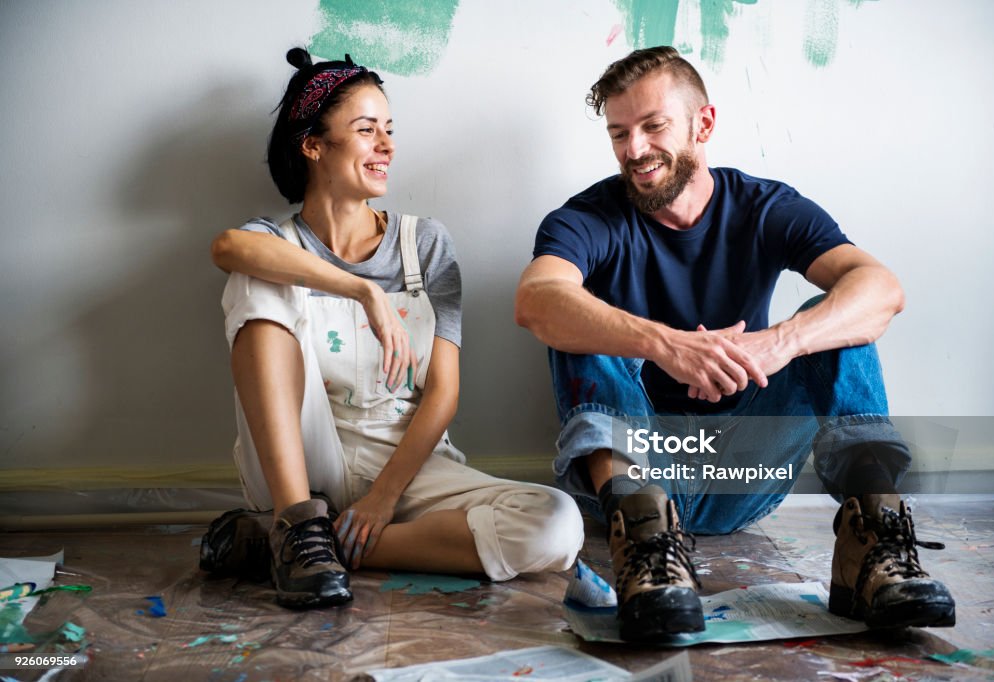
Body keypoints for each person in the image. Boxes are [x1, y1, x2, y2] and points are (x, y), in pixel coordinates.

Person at [514, 46, 954, 640]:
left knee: (834, 316)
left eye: (653, 126)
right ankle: (649, 555)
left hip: (742, 470)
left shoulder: (766, 206)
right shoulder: (587, 218)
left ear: (705, 123)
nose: (634, 149)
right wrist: (665, 344)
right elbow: (535, 301)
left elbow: (881, 288)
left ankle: (875, 546)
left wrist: (782, 343)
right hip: (632, 477)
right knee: (579, 314)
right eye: (619, 133)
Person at [201, 48, 583, 609]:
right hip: (305, 458)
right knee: (253, 276)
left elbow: (444, 393)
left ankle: (304, 547)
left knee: (557, 525)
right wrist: (361, 289)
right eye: (365, 130)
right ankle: (296, 520)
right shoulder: (275, 239)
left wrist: (383, 497)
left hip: (406, 460)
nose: (387, 145)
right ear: (312, 145)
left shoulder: (426, 244)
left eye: (389, 129)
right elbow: (226, 248)